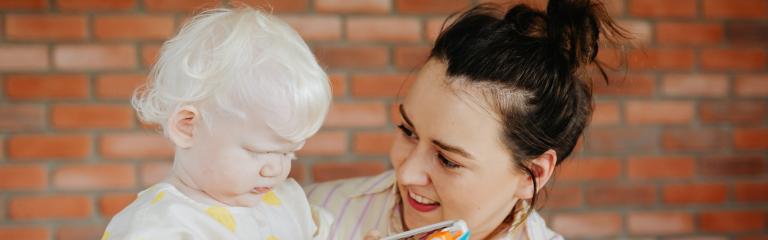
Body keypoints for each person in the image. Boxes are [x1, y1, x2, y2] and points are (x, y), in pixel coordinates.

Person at [305, 0, 627, 239]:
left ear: (533, 173)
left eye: (447, 160)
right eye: (408, 131)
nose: (406, 173)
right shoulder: (311, 215)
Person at [102, 7, 333, 240]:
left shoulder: (286, 206)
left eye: (288, 153)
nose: (275, 169)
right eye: (258, 151)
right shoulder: (158, 226)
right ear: (187, 126)